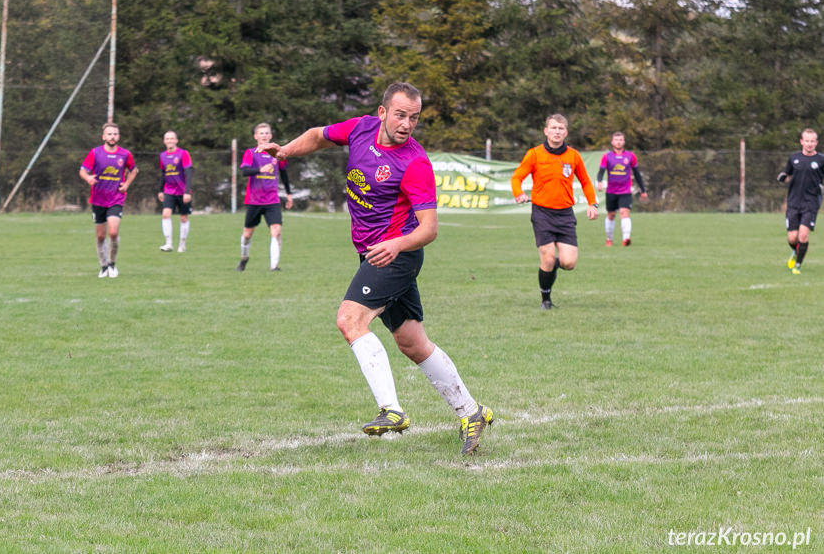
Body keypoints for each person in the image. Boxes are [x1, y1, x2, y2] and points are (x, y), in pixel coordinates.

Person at [256, 82, 493, 456]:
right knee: (412, 343)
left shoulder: (414, 162)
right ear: (382, 112)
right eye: (400, 115)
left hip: (397, 255)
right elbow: (319, 136)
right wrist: (285, 150)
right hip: (374, 253)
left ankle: (391, 410)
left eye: (414, 118)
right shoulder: (360, 129)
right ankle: (472, 412)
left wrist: (396, 243)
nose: (407, 124)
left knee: (350, 320)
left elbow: (429, 229)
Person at [511, 114, 599, 310]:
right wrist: (519, 194)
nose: (557, 132)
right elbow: (517, 177)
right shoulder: (535, 154)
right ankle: (546, 300)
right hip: (542, 213)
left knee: (569, 263)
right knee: (548, 257)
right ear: (546, 131)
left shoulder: (573, 156)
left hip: (566, 214)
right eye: (553, 128)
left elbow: (585, 181)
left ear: (566, 132)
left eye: (561, 128)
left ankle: (549, 267)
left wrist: (593, 204)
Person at [79, 122, 139, 278]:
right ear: (103, 136)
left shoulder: (125, 154)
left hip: (116, 199)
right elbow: (82, 170)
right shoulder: (95, 153)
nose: (112, 137)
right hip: (98, 199)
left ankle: (112, 264)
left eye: (115, 134)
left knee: (113, 233)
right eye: (109, 134)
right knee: (100, 236)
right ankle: (103, 266)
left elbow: (134, 170)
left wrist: (126, 184)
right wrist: (88, 178)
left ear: (118, 136)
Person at [236, 123, 293, 272]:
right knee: (247, 234)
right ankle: (244, 258)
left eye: (267, 133)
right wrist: (260, 169)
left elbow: (284, 174)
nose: (264, 135)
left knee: (276, 231)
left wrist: (289, 194)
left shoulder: (277, 153)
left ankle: (274, 266)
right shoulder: (250, 152)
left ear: (271, 136)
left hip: (272, 200)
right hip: (254, 200)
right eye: (261, 133)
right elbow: (244, 171)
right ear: (256, 136)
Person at [778, 128, 824, 274]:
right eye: (807, 141)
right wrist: (783, 177)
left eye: (812, 141)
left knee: (803, 235)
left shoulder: (821, 159)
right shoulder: (794, 158)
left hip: (811, 202)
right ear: (801, 142)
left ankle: (797, 265)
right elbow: (788, 175)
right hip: (793, 202)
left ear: (816, 143)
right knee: (793, 238)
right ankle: (795, 251)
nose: (809, 144)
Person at [597, 132, 647, 246]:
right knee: (611, 215)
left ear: (624, 142)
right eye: (616, 140)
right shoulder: (607, 156)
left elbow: (637, 174)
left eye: (620, 140)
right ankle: (609, 239)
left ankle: (626, 239)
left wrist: (643, 190)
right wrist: (599, 182)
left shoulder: (630, 156)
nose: (618, 142)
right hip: (611, 191)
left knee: (624, 213)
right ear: (612, 142)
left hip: (625, 191)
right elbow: (601, 171)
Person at [157, 130, 194, 253]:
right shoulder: (162, 156)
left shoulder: (183, 154)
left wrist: (187, 191)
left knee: (183, 218)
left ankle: (182, 244)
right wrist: (160, 190)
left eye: (172, 138)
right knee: (165, 214)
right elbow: (163, 173)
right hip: (169, 191)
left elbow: (188, 173)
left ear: (176, 140)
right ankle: (168, 243)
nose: (169, 141)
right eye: (167, 139)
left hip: (182, 191)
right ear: (164, 141)